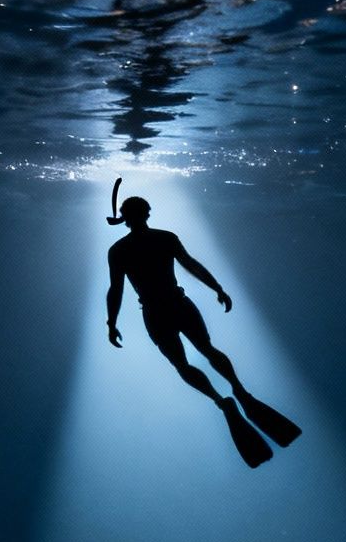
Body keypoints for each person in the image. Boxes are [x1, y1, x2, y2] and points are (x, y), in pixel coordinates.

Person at [104, 185, 301, 468]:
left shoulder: (119, 250)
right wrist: (216, 288)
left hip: (155, 312)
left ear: (126, 217)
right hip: (179, 305)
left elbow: (116, 290)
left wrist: (112, 323)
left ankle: (221, 401)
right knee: (207, 349)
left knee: (182, 365)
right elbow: (191, 265)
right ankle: (239, 391)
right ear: (147, 214)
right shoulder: (164, 238)